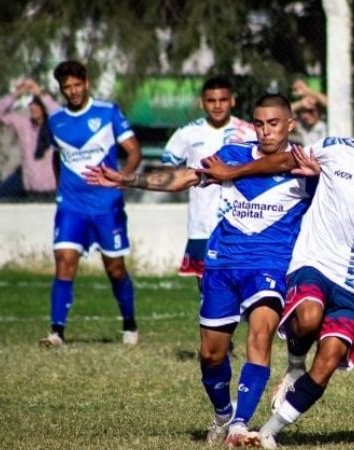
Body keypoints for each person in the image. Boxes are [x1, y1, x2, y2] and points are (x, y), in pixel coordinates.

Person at [85, 94, 313, 447]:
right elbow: (182, 178)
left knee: (260, 336)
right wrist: (126, 180)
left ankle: (239, 426)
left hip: (269, 265)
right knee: (210, 354)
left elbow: (294, 168)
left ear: (289, 125)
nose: (266, 131)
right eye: (260, 123)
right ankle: (224, 412)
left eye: (274, 123)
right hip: (221, 264)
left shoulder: (302, 162)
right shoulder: (232, 153)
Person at [200, 95, 354, 449]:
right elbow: (283, 161)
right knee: (309, 318)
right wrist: (231, 173)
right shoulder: (334, 149)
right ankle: (295, 361)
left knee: (328, 361)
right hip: (313, 261)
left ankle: (267, 432)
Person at [38, 60, 142, 347]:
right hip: (71, 206)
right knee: (64, 262)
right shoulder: (56, 120)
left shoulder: (107, 113)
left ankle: (130, 324)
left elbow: (133, 150)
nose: (72, 91)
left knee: (115, 268)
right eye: (66, 87)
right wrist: (61, 189)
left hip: (106, 205)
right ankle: (56, 332)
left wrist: (123, 178)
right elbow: (57, 156)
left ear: (87, 83)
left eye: (76, 85)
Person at [161, 77, 256, 285]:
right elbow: (169, 170)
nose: (217, 105)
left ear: (233, 101)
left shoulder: (249, 132)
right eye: (211, 100)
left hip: (241, 221)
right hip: (202, 223)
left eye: (223, 99)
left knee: (244, 287)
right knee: (206, 288)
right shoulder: (188, 133)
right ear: (202, 103)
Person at [0, 78, 59, 200]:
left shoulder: (55, 126)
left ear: (44, 107)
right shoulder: (24, 124)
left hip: (51, 191)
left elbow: (60, 114)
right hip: (30, 188)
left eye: (37, 104)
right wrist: (17, 93)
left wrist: (39, 92)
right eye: (31, 104)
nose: (33, 107)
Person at [290, 78, 328, 146]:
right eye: (302, 111)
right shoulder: (300, 126)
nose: (306, 116)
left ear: (319, 110)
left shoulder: (325, 125)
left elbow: (331, 105)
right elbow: (281, 112)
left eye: (310, 111)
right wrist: (301, 104)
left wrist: (307, 90)